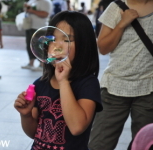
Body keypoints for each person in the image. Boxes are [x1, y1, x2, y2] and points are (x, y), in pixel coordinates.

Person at [14, 11, 103, 150]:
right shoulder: (40, 83)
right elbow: (34, 133)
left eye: (67, 39)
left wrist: (63, 82)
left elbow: (77, 127)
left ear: (85, 45)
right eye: (53, 39)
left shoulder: (88, 84)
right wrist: (25, 116)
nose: (58, 45)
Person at [88, 0, 153, 150]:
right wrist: (122, 23)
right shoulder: (116, 7)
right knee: (100, 143)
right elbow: (103, 48)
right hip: (114, 87)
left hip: (148, 88)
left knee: (144, 144)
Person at [21, 0, 53, 72]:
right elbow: (27, 11)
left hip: (40, 27)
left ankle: (42, 64)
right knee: (29, 45)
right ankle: (31, 62)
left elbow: (45, 14)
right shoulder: (31, 1)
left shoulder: (46, 2)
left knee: (40, 46)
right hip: (29, 26)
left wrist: (32, 11)